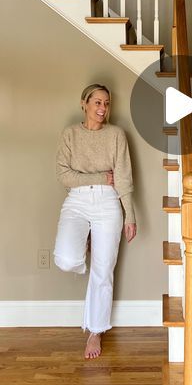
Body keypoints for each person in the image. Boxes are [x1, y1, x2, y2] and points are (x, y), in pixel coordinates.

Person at [54, 83, 136, 359]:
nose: (103, 109)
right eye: (97, 102)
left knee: (103, 270)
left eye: (107, 103)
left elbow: (123, 177)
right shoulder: (70, 134)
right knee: (66, 258)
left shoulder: (116, 135)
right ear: (84, 104)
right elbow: (64, 175)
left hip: (108, 202)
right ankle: (86, 242)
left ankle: (95, 331)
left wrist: (130, 216)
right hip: (77, 199)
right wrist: (99, 177)